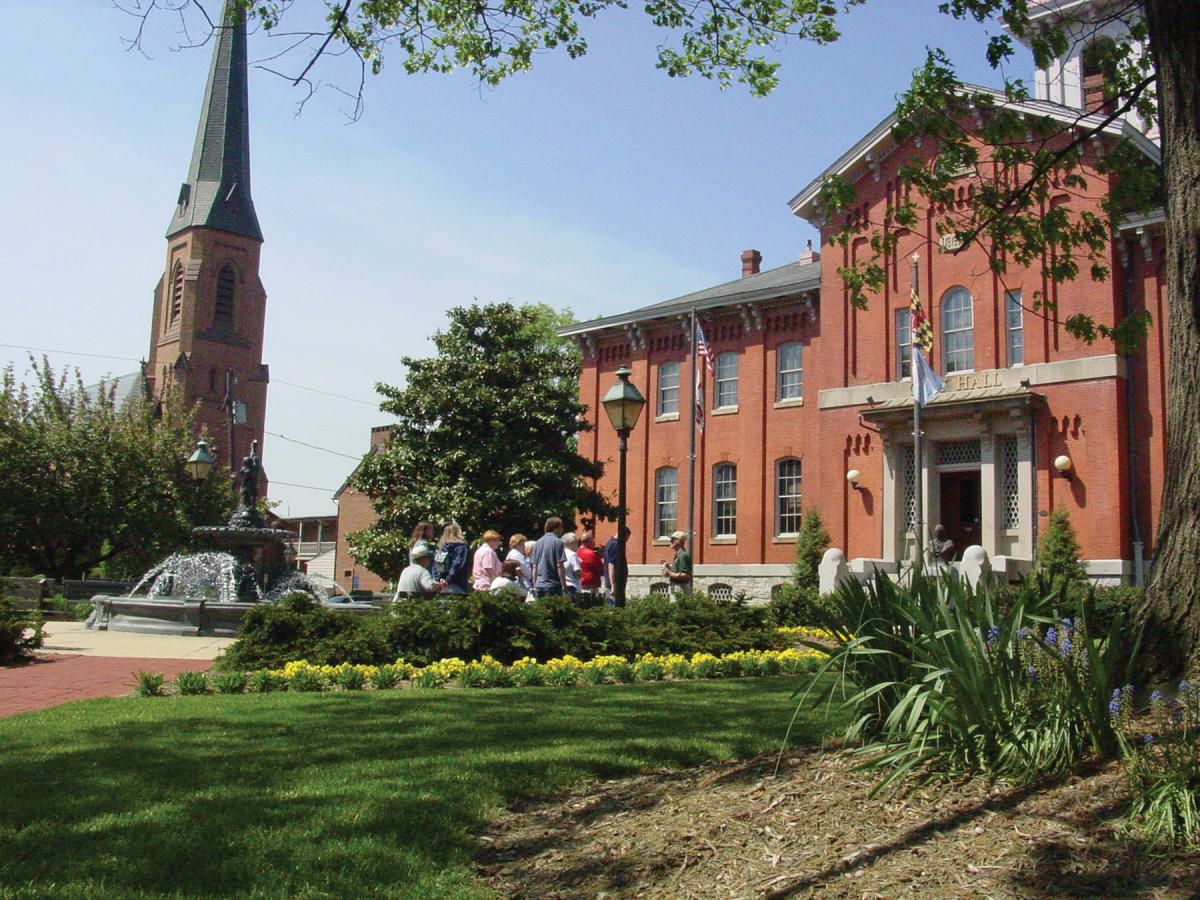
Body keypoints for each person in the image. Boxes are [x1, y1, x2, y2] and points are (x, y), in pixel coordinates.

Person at [531, 516, 567, 598]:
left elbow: (534, 566)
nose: (562, 529)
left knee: (540, 610)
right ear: (555, 528)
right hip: (553, 584)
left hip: (539, 584)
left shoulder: (537, 543)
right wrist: (564, 585)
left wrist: (534, 584)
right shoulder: (558, 542)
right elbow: (559, 565)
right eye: (561, 527)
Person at [433, 523, 471, 595]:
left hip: (441, 585)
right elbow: (458, 564)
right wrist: (448, 579)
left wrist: (438, 580)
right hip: (457, 583)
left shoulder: (441, 547)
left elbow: (435, 565)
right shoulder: (461, 546)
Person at [604, 526, 631, 605]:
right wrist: (613, 585)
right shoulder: (616, 545)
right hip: (615, 583)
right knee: (614, 607)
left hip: (614, 582)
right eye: (626, 538)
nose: (626, 541)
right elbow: (611, 565)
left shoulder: (610, 543)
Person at [577, 531, 604, 598]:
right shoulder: (591, 554)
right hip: (590, 583)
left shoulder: (576, 552)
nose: (594, 543)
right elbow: (601, 569)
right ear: (588, 542)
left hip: (579, 583)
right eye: (592, 541)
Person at [561, 532, 583, 600]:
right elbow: (577, 573)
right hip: (572, 586)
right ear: (571, 543)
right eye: (576, 542)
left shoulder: (560, 553)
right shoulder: (572, 555)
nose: (578, 544)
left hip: (562, 585)